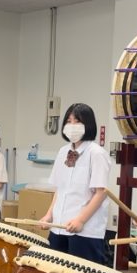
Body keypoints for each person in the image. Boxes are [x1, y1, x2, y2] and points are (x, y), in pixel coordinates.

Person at [39, 103, 110, 264]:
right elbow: (60, 188)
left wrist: (81, 220)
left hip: (85, 232)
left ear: (88, 124)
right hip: (58, 227)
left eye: (77, 121)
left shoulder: (97, 153)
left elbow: (101, 192)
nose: (72, 126)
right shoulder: (63, 151)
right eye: (68, 121)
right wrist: (50, 215)